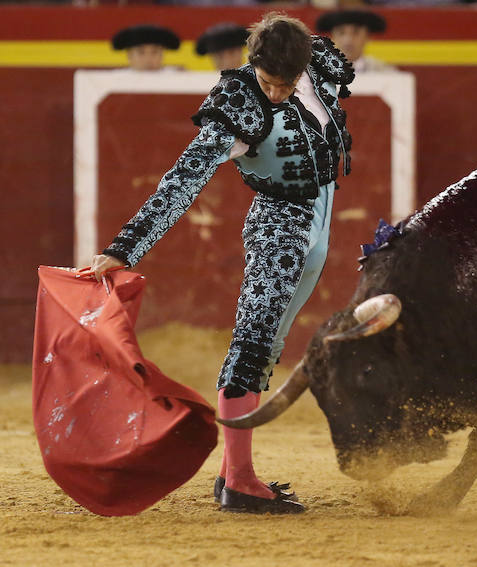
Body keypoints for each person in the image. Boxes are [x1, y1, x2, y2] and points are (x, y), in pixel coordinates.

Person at [86, 12, 354, 514]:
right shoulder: (237, 103)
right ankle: (240, 482)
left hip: (322, 217)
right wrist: (125, 249)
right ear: (252, 65)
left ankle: (234, 472)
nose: (276, 93)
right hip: (279, 222)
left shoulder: (316, 64)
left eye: (287, 82)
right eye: (269, 82)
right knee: (253, 344)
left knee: (271, 343)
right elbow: (183, 180)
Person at [315, 9, 395, 73]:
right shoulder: (321, 72)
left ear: (367, 37)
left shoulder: (384, 71)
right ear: (332, 38)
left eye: (356, 32)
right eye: (341, 33)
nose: (348, 40)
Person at [111, 24, 181, 71]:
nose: (148, 59)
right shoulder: (114, 80)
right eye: (141, 52)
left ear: (162, 54)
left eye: (155, 52)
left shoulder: (179, 78)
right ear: (129, 55)